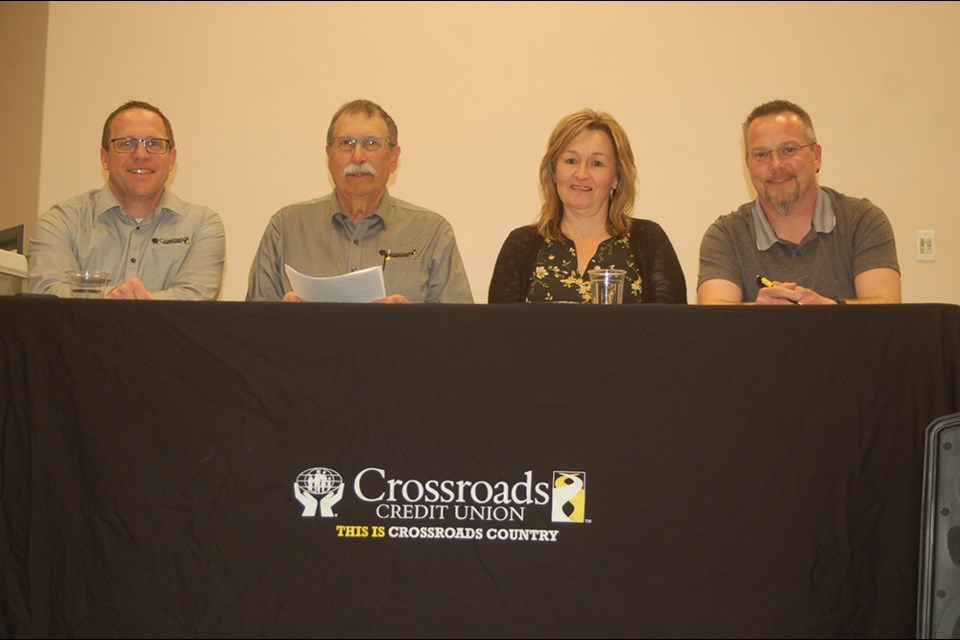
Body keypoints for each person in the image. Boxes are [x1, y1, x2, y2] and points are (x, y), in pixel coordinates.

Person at [246, 99, 473, 304]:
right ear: (329, 156)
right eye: (346, 143)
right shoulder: (285, 228)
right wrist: (282, 319)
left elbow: (461, 333)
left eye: (371, 143)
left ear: (393, 158)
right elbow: (251, 330)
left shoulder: (432, 233)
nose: (357, 156)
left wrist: (410, 322)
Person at [697, 99, 900, 305]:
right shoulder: (725, 235)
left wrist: (827, 309)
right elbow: (712, 315)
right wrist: (760, 313)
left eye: (789, 150)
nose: (776, 165)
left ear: (816, 156)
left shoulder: (862, 221)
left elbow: (888, 309)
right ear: (747, 165)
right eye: (761, 154)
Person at [28, 100, 226, 300]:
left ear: (171, 159)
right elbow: (47, 293)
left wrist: (110, 299)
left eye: (154, 144)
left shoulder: (202, 226)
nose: (141, 155)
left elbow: (196, 301)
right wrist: (118, 297)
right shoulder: (60, 222)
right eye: (126, 143)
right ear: (105, 158)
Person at [488, 109, 686, 304]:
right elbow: (498, 331)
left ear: (616, 177)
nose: (581, 174)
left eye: (597, 163)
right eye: (571, 161)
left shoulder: (648, 240)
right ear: (554, 171)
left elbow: (673, 331)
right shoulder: (521, 245)